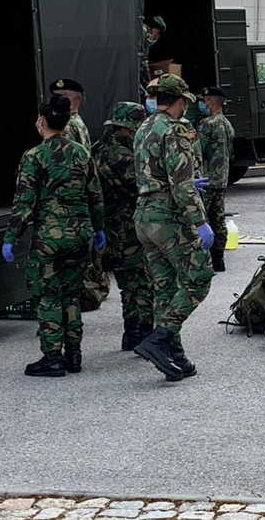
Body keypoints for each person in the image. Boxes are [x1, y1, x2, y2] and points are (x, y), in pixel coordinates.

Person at [0, 95, 105, 376]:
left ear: (41, 121)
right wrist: (99, 228)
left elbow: (24, 202)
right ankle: (74, 355)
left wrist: (11, 237)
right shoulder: (82, 153)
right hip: (80, 235)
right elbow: (95, 196)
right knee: (71, 295)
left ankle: (52, 358)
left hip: (49, 238)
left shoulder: (34, 157)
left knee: (48, 296)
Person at [133, 73, 215, 382]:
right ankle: (158, 340)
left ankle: (174, 354)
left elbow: (151, 173)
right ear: (179, 101)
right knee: (198, 278)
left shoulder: (143, 128)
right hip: (169, 218)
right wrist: (201, 222)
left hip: (144, 216)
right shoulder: (177, 130)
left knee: (165, 287)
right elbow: (181, 186)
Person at [93, 101, 154, 351]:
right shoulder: (125, 158)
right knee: (140, 283)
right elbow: (140, 189)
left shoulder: (96, 149)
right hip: (127, 229)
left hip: (106, 229)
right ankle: (143, 334)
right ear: (129, 129)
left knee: (126, 283)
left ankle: (131, 334)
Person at [197, 86, 235, 273]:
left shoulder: (207, 124)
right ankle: (219, 259)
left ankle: (203, 261)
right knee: (218, 218)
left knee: (202, 218)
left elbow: (198, 151)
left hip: (205, 180)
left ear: (211, 101)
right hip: (221, 179)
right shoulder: (227, 124)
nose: (203, 104)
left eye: (205, 100)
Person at [49, 78, 90, 149]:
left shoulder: (66, 124)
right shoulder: (77, 121)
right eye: (55, 96)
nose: (56, 99)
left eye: (62, 96)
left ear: (78, 98)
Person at [140, 15, 167, 87]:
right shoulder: (143, 30)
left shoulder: (147, 33)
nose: (157, 36)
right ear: (155, 29)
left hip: (141, 63)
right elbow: (142, 49)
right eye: (158, 33)